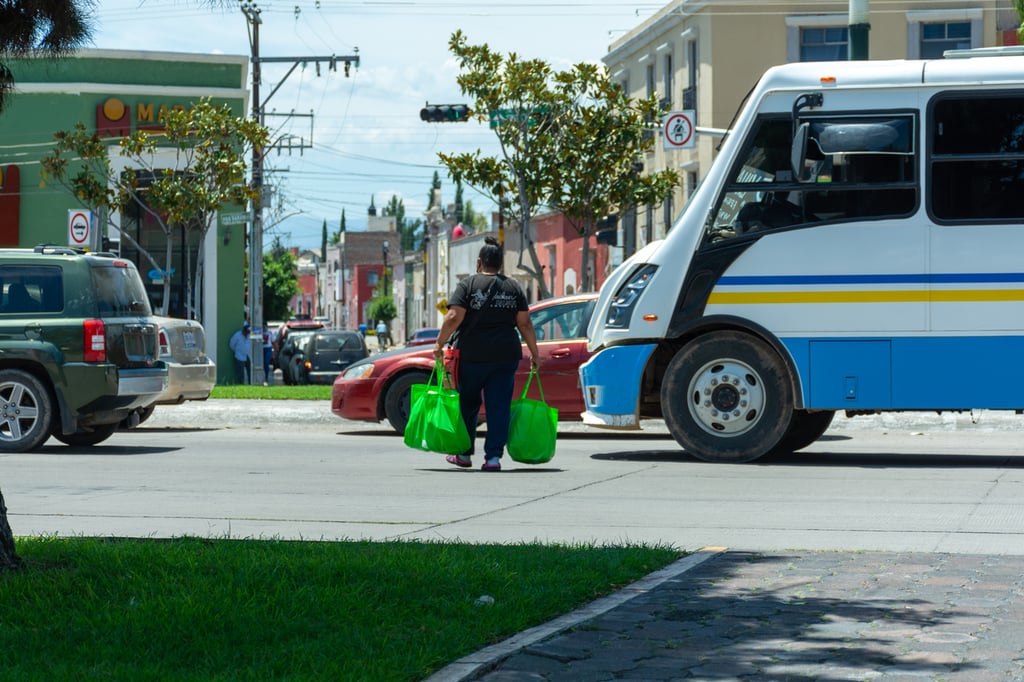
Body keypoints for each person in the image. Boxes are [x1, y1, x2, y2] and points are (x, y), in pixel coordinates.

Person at [433, 236, 541, 472]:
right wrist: (535, 353)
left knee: (468, 405)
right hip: (505, 356)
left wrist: (439, 344)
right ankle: (493, 458)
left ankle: (462, 454)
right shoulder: (513, 288)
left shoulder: (468, 285)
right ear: (501, 264)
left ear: (479, 262)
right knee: (498, 407)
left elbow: (453, 317)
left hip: (472, 356)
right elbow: (525, 324)